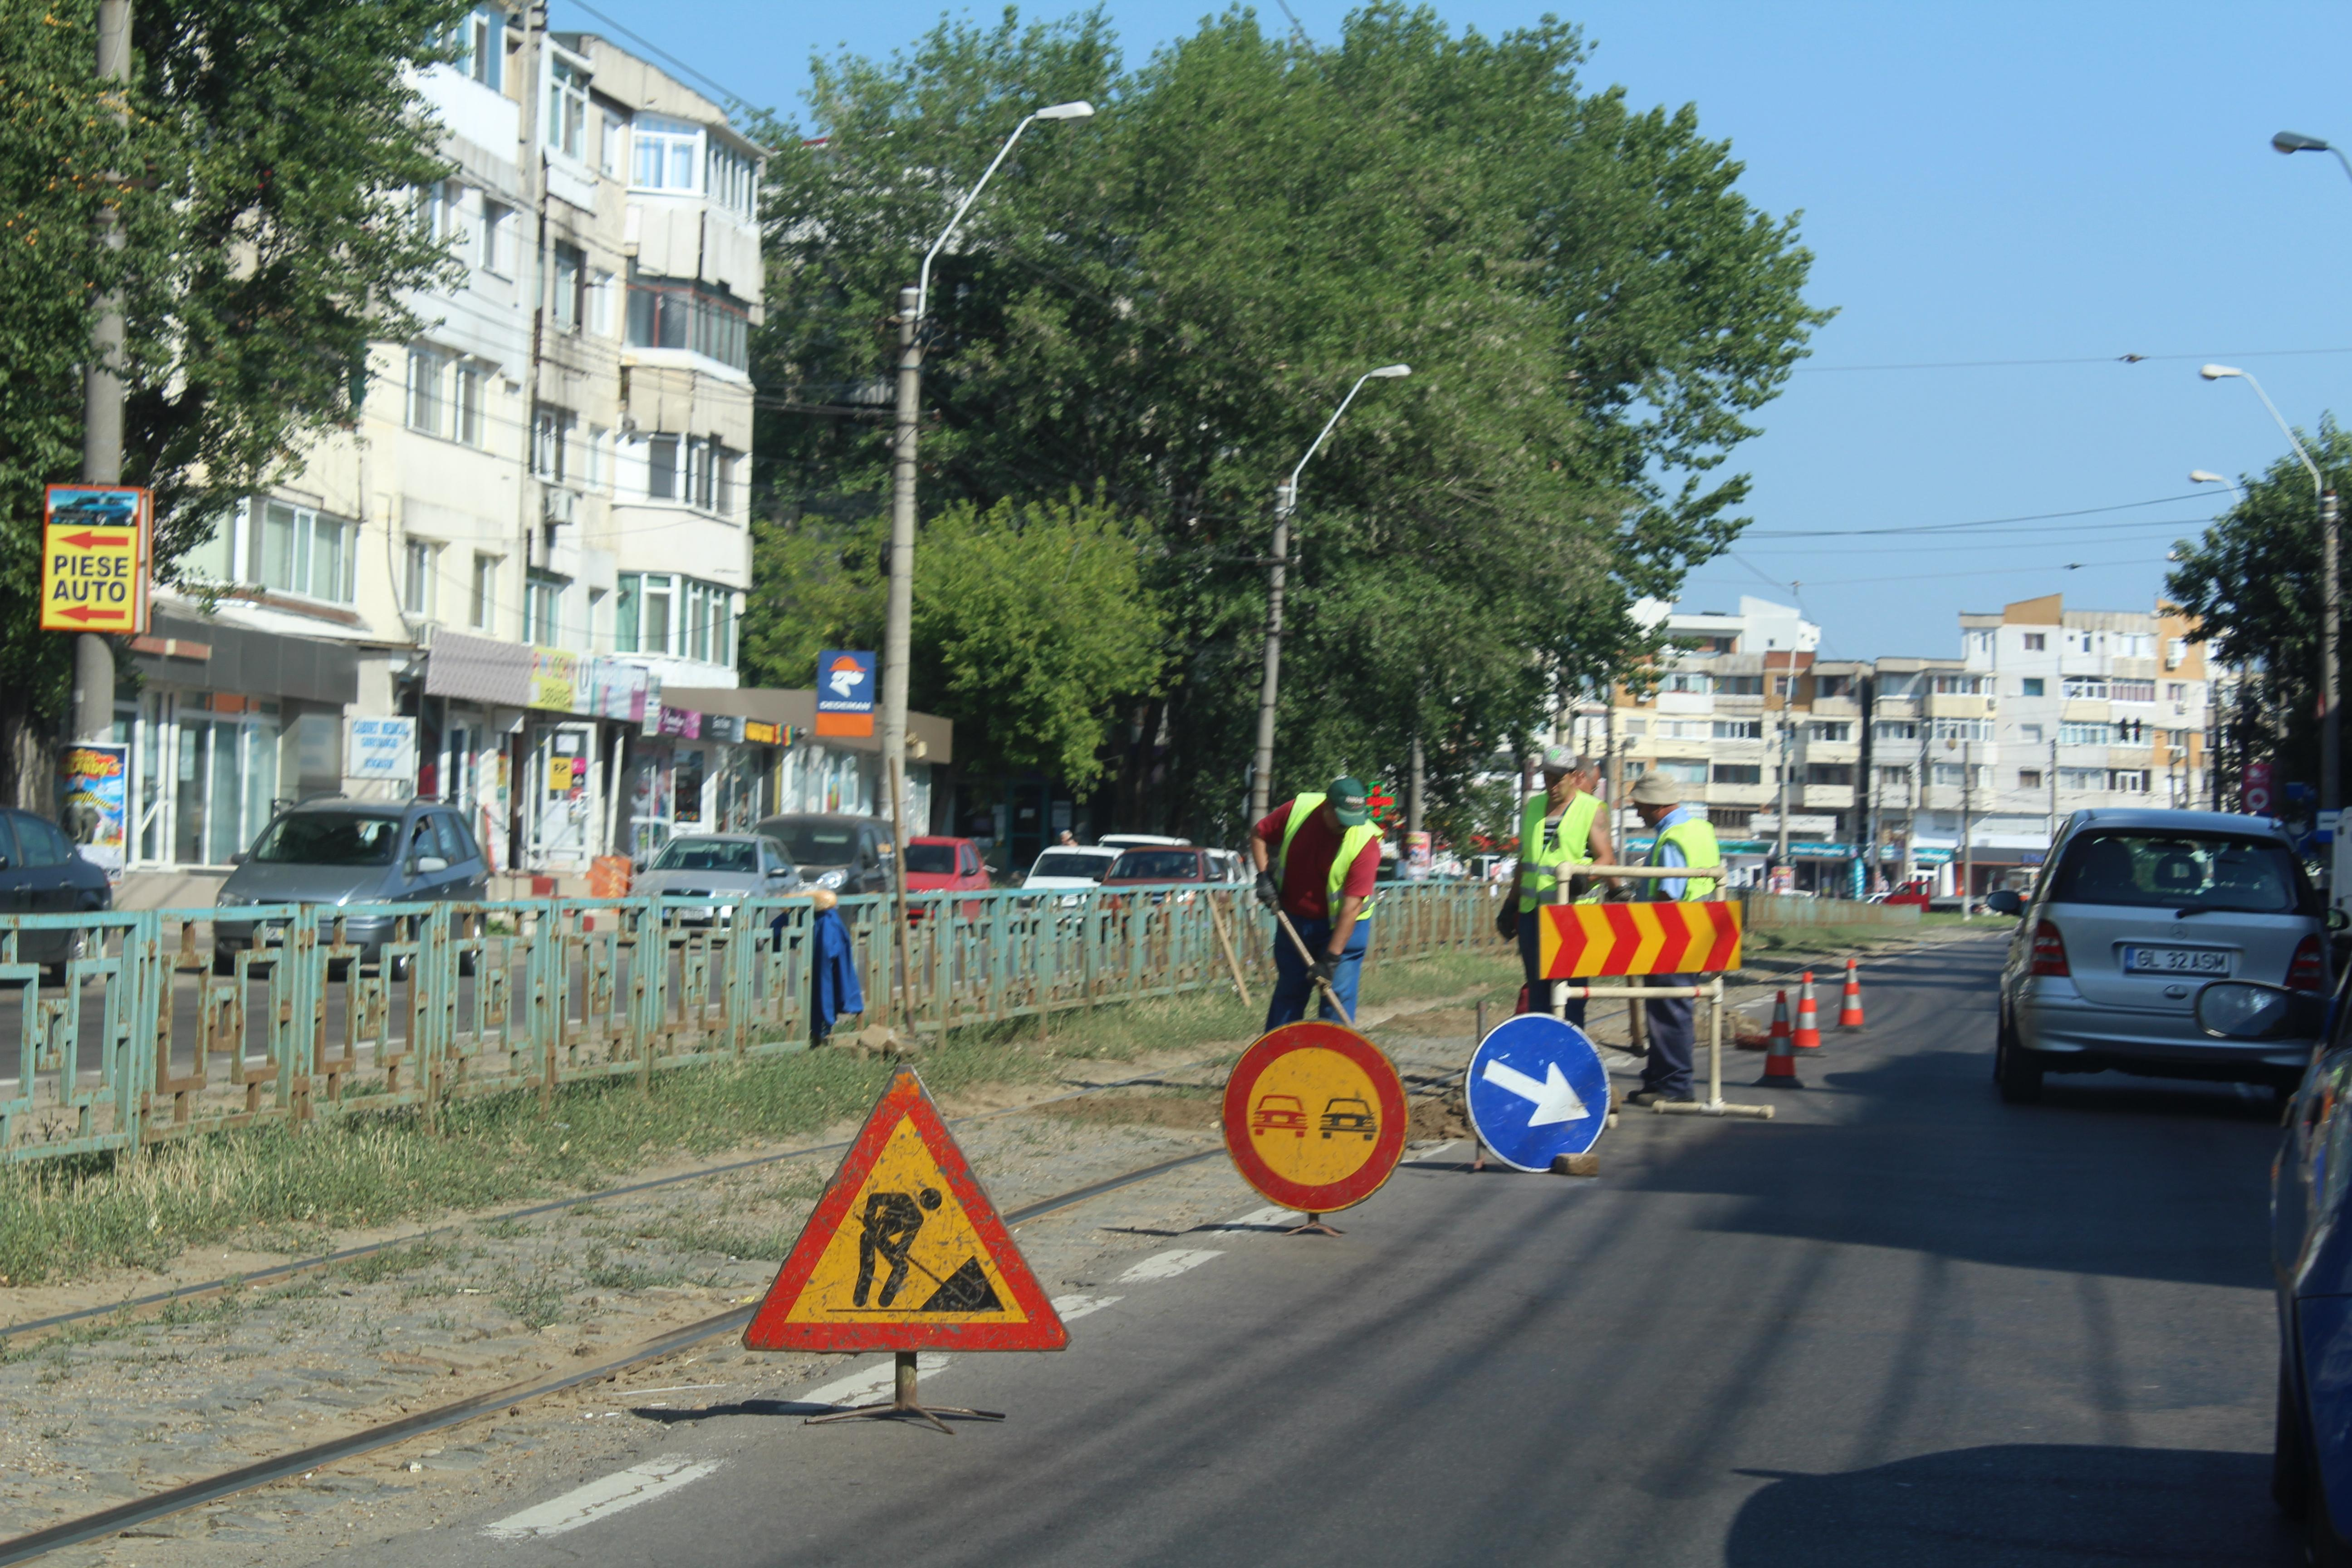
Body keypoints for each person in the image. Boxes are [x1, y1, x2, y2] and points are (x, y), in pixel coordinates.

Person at [1249, 777, 1383, 1028]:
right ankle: (1277, 1061)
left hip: (1345, 929)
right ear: (1327, 807)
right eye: (1342, 818)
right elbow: (1259, 833)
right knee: (1290, 993)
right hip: (1295, 920)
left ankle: (1331, 1063)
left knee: (1336, 999)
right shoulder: (1298, 810)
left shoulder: (1366, 843)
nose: (1347, 826)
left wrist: (1331, 958)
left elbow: (1352, 907)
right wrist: (1264, 876)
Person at [1495, 745, 1617, 1022]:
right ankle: (1544, 1055)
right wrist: (1510, 905)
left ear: (1574, 777)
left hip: (1574, 916)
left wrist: (1585, 878)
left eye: (1557, 779)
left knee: (1572, 996)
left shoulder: (1591, 809)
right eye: (1547, 778)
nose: (1550, 786)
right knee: (1538, 994)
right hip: (1533, 915)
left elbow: (1607, 857)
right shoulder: (1533, 807)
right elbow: (1526, 861)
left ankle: (1571, 1059)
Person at [1626, 772, 1720, 1107]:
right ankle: (1657, 1080)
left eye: (1639, 806)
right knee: (1667, 1009)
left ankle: (1676, 1085)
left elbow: (1670, 894)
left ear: (1655, 806)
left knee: (1670, 1010)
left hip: (1673, 933)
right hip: (1700, 931)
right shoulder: (1699, 829)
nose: (1637, 813)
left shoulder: (1673, 839)